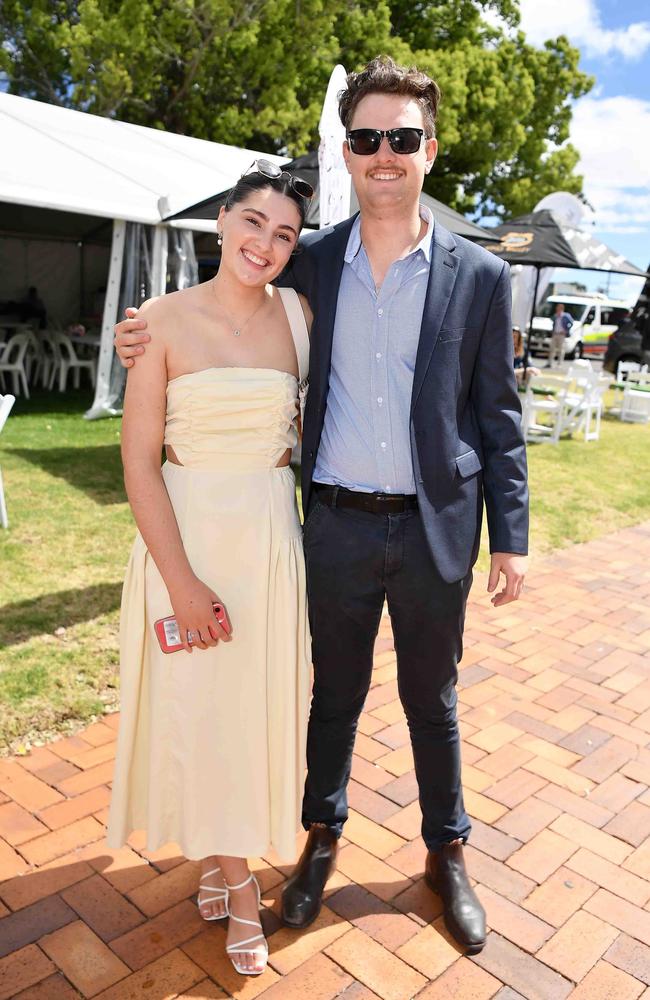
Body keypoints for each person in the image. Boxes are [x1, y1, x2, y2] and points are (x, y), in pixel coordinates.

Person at [114, 56, 529, 956]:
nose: (385, 154)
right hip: (331, 524)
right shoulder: (311, 264)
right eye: (368, 138)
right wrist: (139, 333)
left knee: (435, 697)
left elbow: (498, 414)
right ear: (348, 150)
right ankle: (319, 841)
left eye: (403, 138)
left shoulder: (480, 276)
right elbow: (229, 302)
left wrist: (514, 539)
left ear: (430, 148)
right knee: (330, 699)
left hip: (434, 527)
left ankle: (446, 852)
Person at [106, 163, 314, 977]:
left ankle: (222, 858)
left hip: (268, 545)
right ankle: (236, 880)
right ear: (223, 221)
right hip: (183, 544)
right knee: (200, 713)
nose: (265, 243)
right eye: (254, 223)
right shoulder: (156, 322)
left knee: (250, 714)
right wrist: (183, 584)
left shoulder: (299, 317)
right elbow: (139, 467)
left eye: (285, 234)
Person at [548, 302, 572, 368]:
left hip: (561, 334)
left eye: (558, 308)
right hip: (555, 333)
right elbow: (551, 320)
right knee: (552, 349)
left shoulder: (565, 316)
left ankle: (559, 363)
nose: (557, 309)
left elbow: (571, 323)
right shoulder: (556, 316)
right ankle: (550, 363)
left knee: (561, 349)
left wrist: (566, 330)